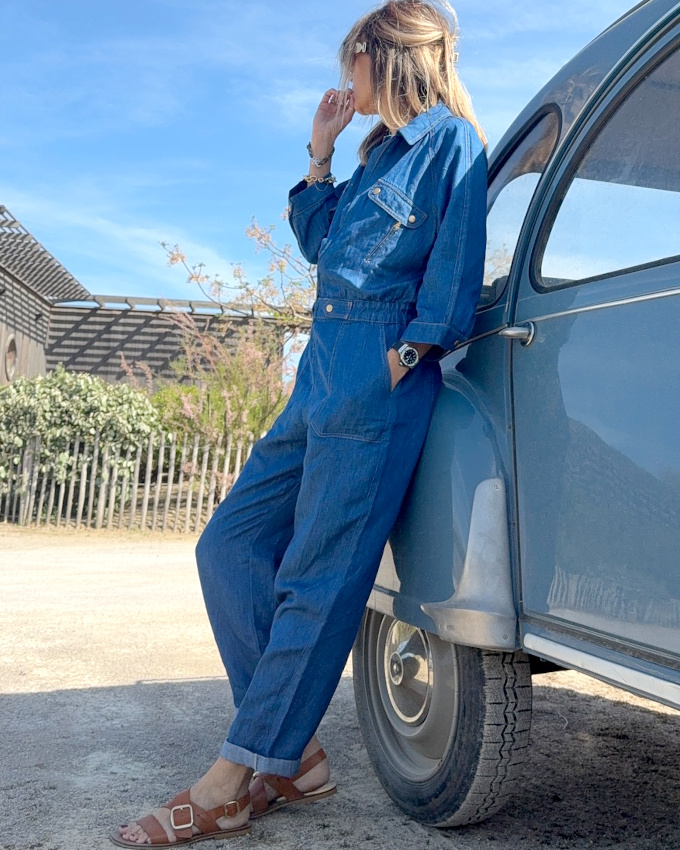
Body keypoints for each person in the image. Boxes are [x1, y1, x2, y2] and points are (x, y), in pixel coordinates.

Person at [112, 0, 487, 845]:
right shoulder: (381, 153)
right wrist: (319, 152)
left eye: (350, 58)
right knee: (230, 543)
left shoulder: (450, 147)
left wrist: (403, 358)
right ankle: (296, 758)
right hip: (321, 368)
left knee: (316, 580)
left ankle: (231, 781)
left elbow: (455, 274)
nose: (342, 76)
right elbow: (325, 246)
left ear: (382, 57)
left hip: (377, 373)